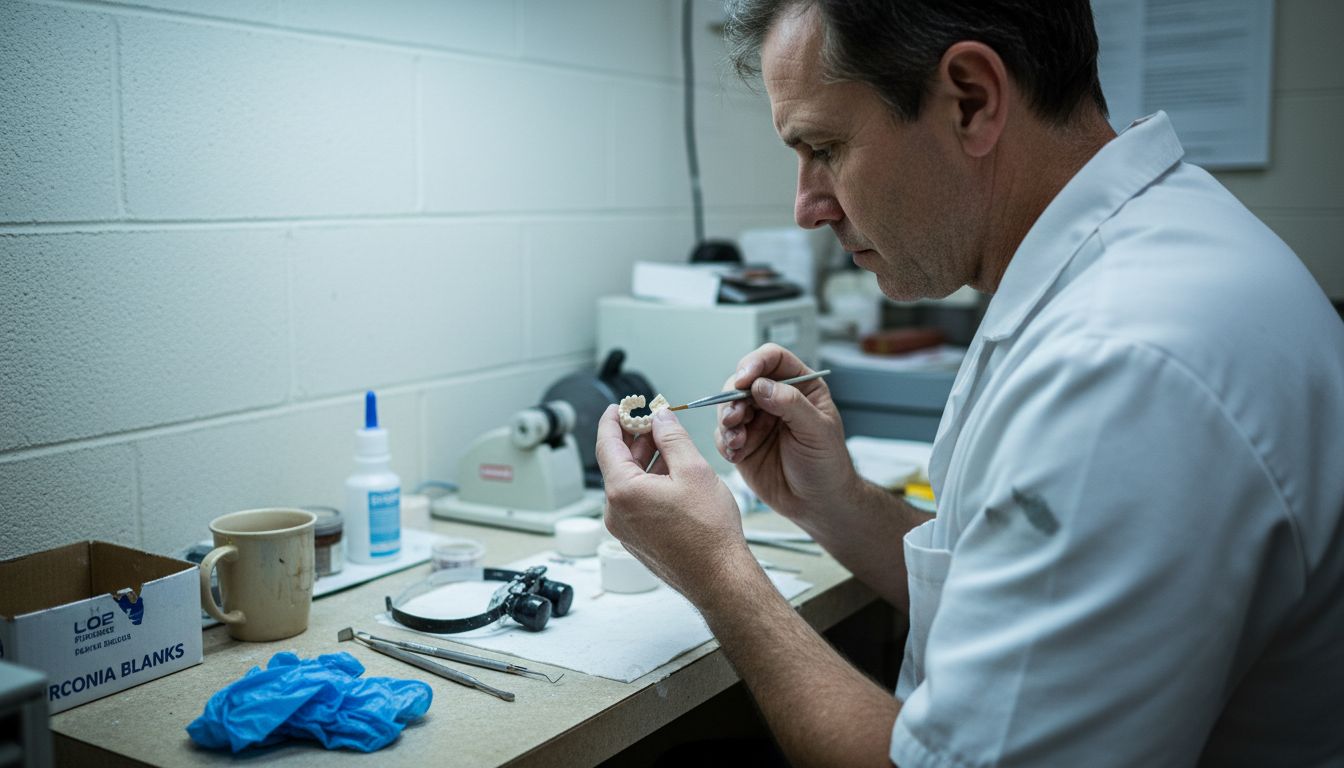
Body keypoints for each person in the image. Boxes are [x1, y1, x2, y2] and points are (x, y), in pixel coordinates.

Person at [596, 1, 1344, 766]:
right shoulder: (1108, 264)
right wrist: (836, 504)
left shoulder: (1119, 368)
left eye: (825, 147)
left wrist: (718, 570)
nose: (807, 208)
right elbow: (1015, 607)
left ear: (972, 100)